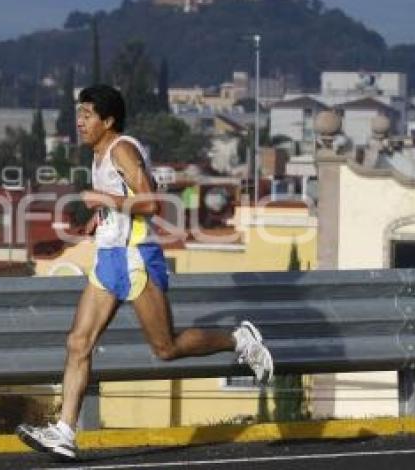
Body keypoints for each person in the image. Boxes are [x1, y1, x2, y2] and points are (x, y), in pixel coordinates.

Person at [16, 84, 273, 461]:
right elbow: (122, 203)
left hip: (136, 256)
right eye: (79, 114)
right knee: (78, 342)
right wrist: (99, 220)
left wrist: (102, 200)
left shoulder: (122, 148)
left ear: (108, 120)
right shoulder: (100, 153)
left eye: (88, 115)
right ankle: (65, 432)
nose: (80, 121)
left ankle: (240, 339)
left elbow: (152, 202)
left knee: (165, 348)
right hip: (109, 258)